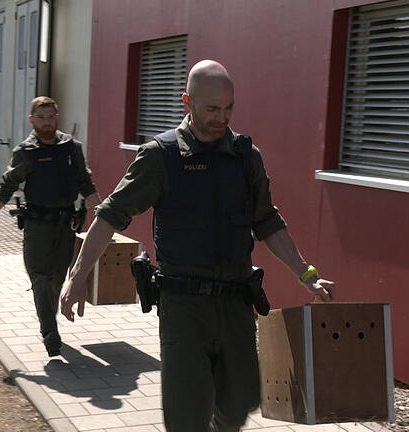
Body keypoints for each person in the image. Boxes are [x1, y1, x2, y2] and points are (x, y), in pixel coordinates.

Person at [59, 60, 334, 431]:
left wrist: (306, 274)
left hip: (237, 299)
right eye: (212, 109)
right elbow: (109, 215)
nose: (222, 117)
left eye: (229, 107)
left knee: (241, 401)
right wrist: (77, 276)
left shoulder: (245, 157)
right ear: (187, 101)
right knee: (187, 414)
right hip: (184, 305)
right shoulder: (162, 156)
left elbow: (267, 221)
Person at [0, 96, 101, 357]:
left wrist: (103, 213)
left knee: (57, 279)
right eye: (41, 117)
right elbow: (8, 184)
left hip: (66, 224)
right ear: (32, 120)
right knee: (40, 279)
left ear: (57, 118)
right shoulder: (26, 152)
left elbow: (85, 182)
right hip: (37, 225)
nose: (47, 122)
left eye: (51, 117)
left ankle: (49, 324)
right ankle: (49, 332)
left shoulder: (71, 147)